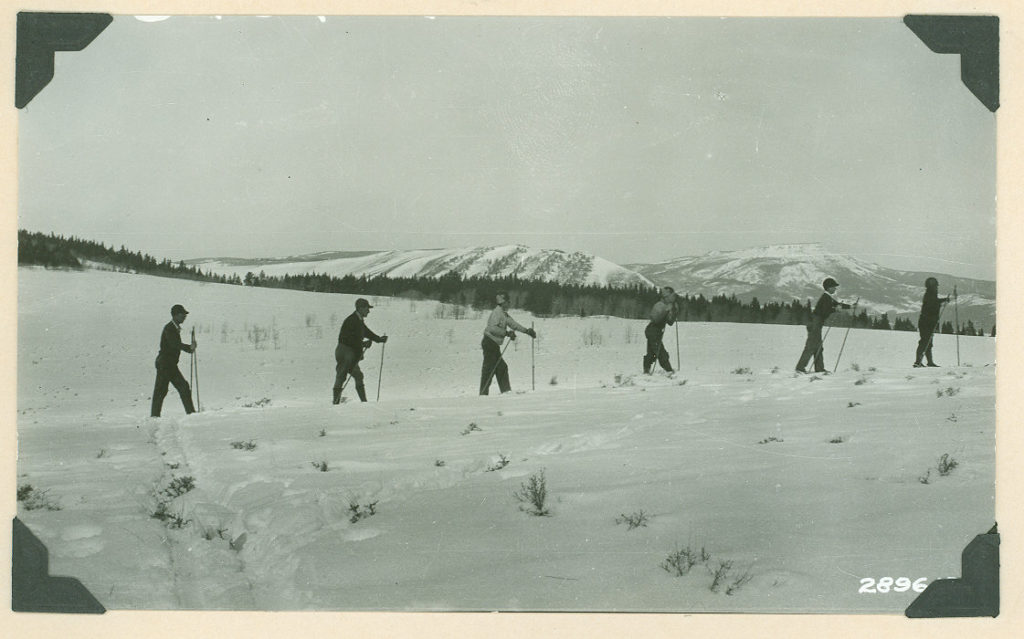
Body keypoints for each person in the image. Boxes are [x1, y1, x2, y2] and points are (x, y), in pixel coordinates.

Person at [480, 291, 536, 395]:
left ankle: (505, 392)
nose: (509, 304)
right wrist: (506, 333)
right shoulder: (497, 313)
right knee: (489, 370)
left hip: (494, 345)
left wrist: (527, 331)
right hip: (489, 343)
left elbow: (513, 324)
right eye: (508, 302)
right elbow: (492, 328)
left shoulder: (504, 314)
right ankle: (483, 395)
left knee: (501, 368)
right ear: (502, 302)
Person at [333, 298, 388, 404]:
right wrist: (363, 344)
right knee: (342, 375)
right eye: (367, 308)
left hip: (349, 352)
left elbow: (366, 332)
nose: (369, 311)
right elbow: (347, 339)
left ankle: (363, 403)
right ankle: (335, 404)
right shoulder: (352, 320)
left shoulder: (358, 320)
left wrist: (379, 339)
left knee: (357, 375)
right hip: (345, 351)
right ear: (360, 308)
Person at [795, 277, 853, 374]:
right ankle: (800, 368)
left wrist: (850, 306)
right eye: (834, 287)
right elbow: (826, 311)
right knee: (811, 346)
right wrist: (835, 309)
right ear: (829, 287)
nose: (835, 289)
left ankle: (819, 368)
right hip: (815, 323)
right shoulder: (825, 298)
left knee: (818, 347)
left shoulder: (827, 297)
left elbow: (837, 304)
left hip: (816, 323)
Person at [151, 304, 197, 417]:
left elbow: (174, 345)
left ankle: (154, 416)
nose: (184, 317)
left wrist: (189, 349)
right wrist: (188, 348)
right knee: (182, 387)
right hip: (166, 364)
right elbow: (174, 344)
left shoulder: (173, 328)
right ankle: (191, 415)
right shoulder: (169, 328)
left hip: (165, 363)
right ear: (175, 315)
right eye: (182, 314)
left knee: (161, 391)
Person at [914, 277, 951, 368]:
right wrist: (942, 301)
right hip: (926, 322)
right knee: (925, 342)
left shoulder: (931, 294)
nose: (937, 287)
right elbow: (932, 305)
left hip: (928, 322)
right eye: (936, 286)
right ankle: (918, 362)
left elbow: (934, 303)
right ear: (932, 286)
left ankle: (928, 362)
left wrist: (943, 300)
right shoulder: (930, 294)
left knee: (928, 342)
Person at [643, 287, 679, 375]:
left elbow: (670, 322)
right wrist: (666, 310)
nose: (673, 298)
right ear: (666, 296)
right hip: (652, 331)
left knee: (652, 353)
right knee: (660, 352)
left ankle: (646, 371)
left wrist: (674, 311)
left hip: (657, 332)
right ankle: (669, 370)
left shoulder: (668, 305)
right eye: (671, 296)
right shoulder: (659, 305)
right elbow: (655, 319)